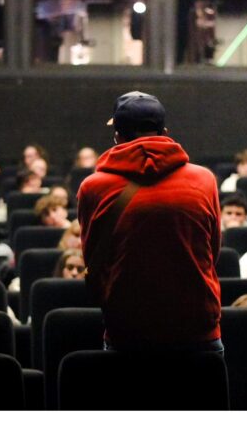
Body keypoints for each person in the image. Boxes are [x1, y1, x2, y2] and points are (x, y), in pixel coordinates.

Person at [78, 90, 222, 353]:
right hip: (197, 331)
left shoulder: (93, 187)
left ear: (118, 137)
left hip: (127, 332)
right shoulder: (204, 180)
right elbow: (212, 252)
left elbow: (93, 260)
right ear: (164, 132)